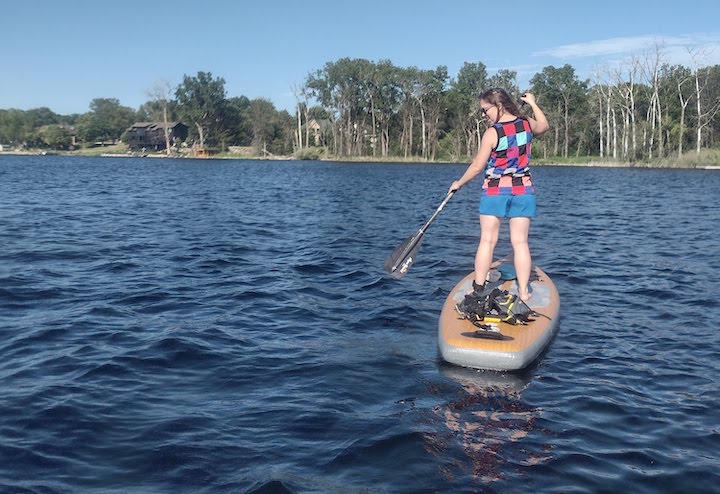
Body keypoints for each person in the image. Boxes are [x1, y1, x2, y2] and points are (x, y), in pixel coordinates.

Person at [449, 88, 549, 306]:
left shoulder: (492, 133)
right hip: (523, 191)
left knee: (487, 240)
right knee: (520, 242)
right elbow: (544, 126)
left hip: (495, 191)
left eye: (485, 110)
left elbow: (477, 167)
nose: (484, 115)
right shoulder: (526, 123)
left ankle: (478, 288)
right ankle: (524, 292)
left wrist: (458, 183)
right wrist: (532, 103)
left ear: (499, 106)